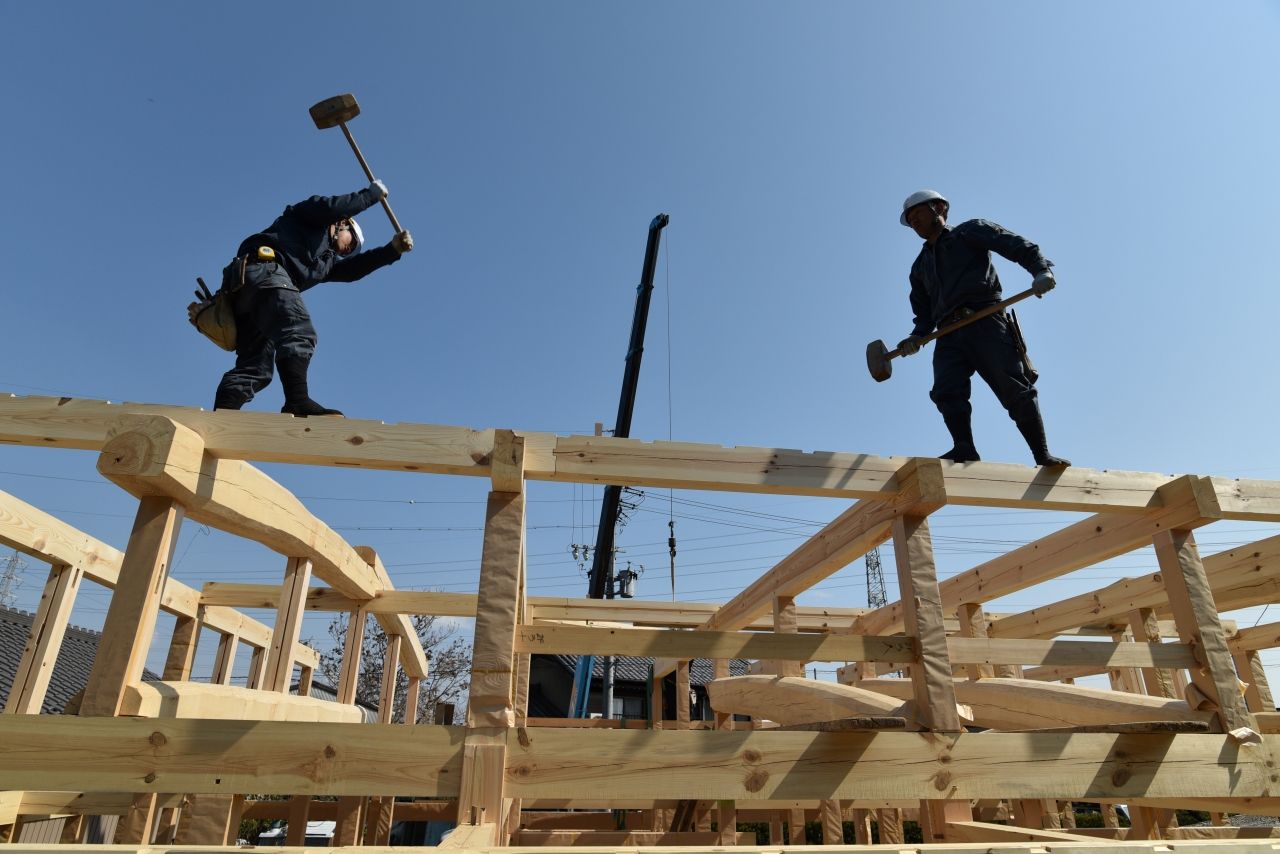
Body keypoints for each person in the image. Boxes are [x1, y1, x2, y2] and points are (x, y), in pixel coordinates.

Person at [895, 189, 1069, 467]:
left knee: (1013, 386)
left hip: (985, 319)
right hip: (948, 332)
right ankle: (964, 448)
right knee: (946, 390)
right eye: (910, 220)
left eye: (918, 215)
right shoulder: (920, 266)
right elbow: (923, 312)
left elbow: (1014, 245)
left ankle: (1041, 454)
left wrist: (1040, 270)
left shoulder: (970, 232)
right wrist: (917, 336)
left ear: (939, 208)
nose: (914, 223)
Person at [212, 180, 413, 416]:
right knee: (298, 330)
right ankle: (297, 401)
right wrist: (369, 196)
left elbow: (351, 271)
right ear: (343, 224)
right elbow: (332, 208)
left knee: (256, 367)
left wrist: (392, 250)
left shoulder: (324, 262)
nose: (350, 250)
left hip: (254, 294)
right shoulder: (310, 218)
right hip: (263, 271)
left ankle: (222, 418)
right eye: (353, 242)